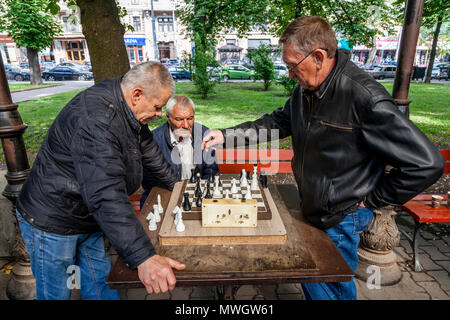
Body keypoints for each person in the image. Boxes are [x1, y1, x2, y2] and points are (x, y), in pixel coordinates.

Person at [202, 16, 444, 300]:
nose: (290, 74)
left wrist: (374, 200)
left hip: (343, 214)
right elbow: (277, 122)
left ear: (318, 56)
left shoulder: (363, 97)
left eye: (293, 66)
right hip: (316, 204)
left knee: (325, 286)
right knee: (326, 281)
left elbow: (427, 163)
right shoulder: (307, 89)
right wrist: (226, 136)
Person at [16, 61, 186, 300]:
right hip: (53, 221)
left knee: (101, 286)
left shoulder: (126, 107)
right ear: (137, 94)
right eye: (158, 107)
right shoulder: (96, 121)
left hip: (88, 217)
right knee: (57, 294)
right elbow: (106, 194)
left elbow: (147, 149)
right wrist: (144, 257)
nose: (160, 115)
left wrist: (178, 185)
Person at [140, 95, 219, 208]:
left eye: (190, 118)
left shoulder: (204, 134)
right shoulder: (154, 140)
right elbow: (149, 181)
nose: (186, 125)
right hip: (165, 196)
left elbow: (212, 171)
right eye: (179, 119)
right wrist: (178, 189)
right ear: (168, 117)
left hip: (198, 195)